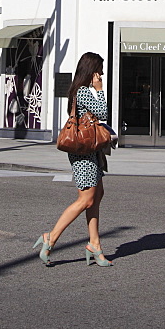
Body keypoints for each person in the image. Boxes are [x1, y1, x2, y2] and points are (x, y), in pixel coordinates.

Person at [33, 52, 112, 268]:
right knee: (85, 200)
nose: (102, 74)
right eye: (100, 70)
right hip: (83, 152)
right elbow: (104, 112)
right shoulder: (85, 91)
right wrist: (100, 90)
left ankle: (95, 245)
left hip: (90, 150)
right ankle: (51, 237)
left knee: (96, 196)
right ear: (92, 71)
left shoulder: (78, 90)